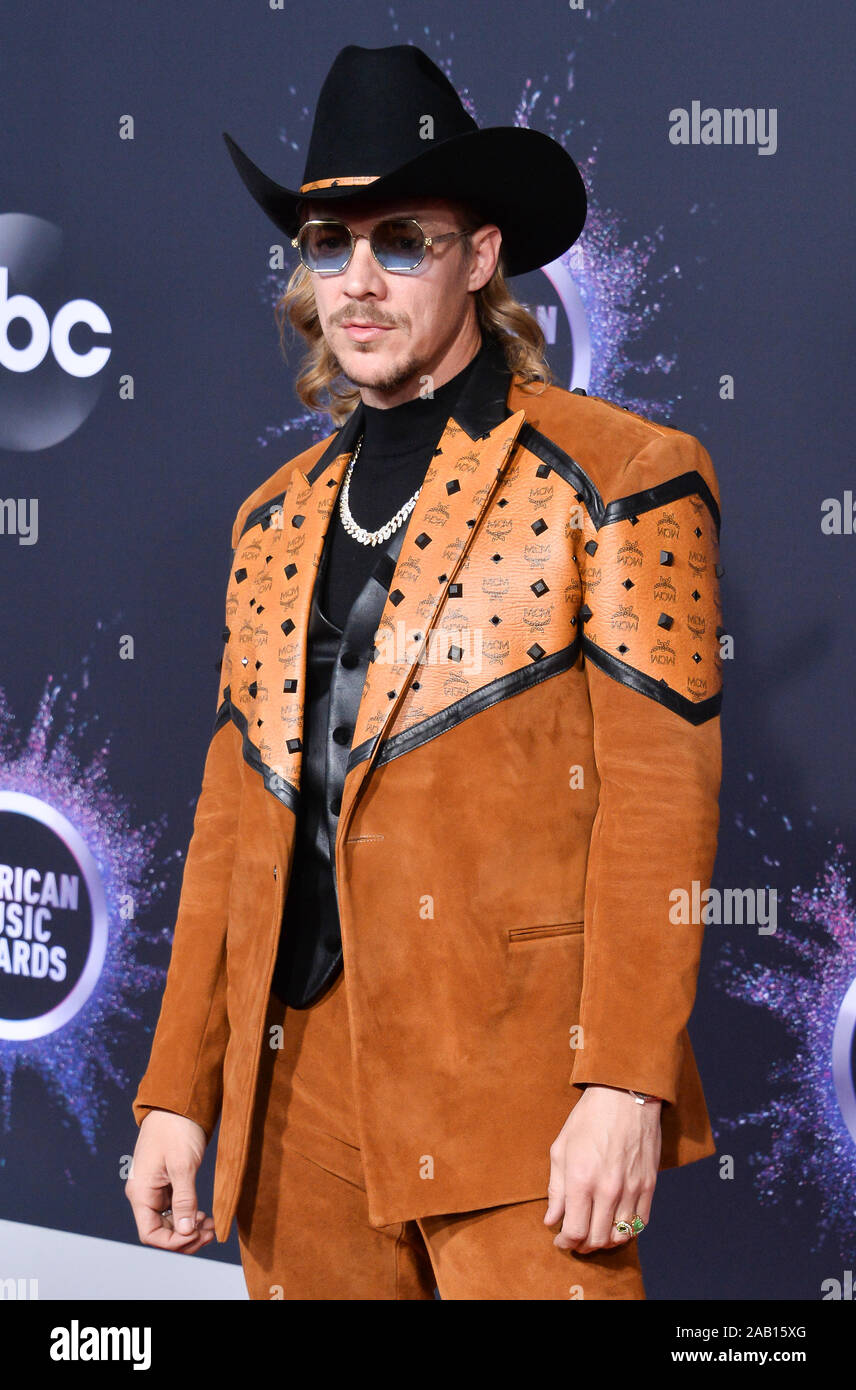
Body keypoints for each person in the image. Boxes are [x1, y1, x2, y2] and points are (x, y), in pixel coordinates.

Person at [125, 43, 724, 1300]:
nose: (357, 280)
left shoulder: (619, 474)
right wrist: (182, 1088)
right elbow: (234, 823)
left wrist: (622, 1081)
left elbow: (657, 813)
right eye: (327, 241)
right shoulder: (273, 518)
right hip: (297, 1105)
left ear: (481, 256)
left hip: (520, 1097)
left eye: (401, 240)